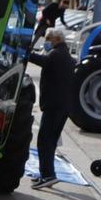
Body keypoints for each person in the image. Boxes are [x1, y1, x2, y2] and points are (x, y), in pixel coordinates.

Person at [24, 29, 74, 188]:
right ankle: (47, 173)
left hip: (54, 106)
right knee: (50, 141)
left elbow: (41, 61)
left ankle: (48, 175)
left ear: (57, 39)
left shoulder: (56, 55)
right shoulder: (66, 56)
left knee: (45, 141)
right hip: (62, 106)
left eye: (48, 39)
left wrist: (25, 52)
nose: (46, 42)